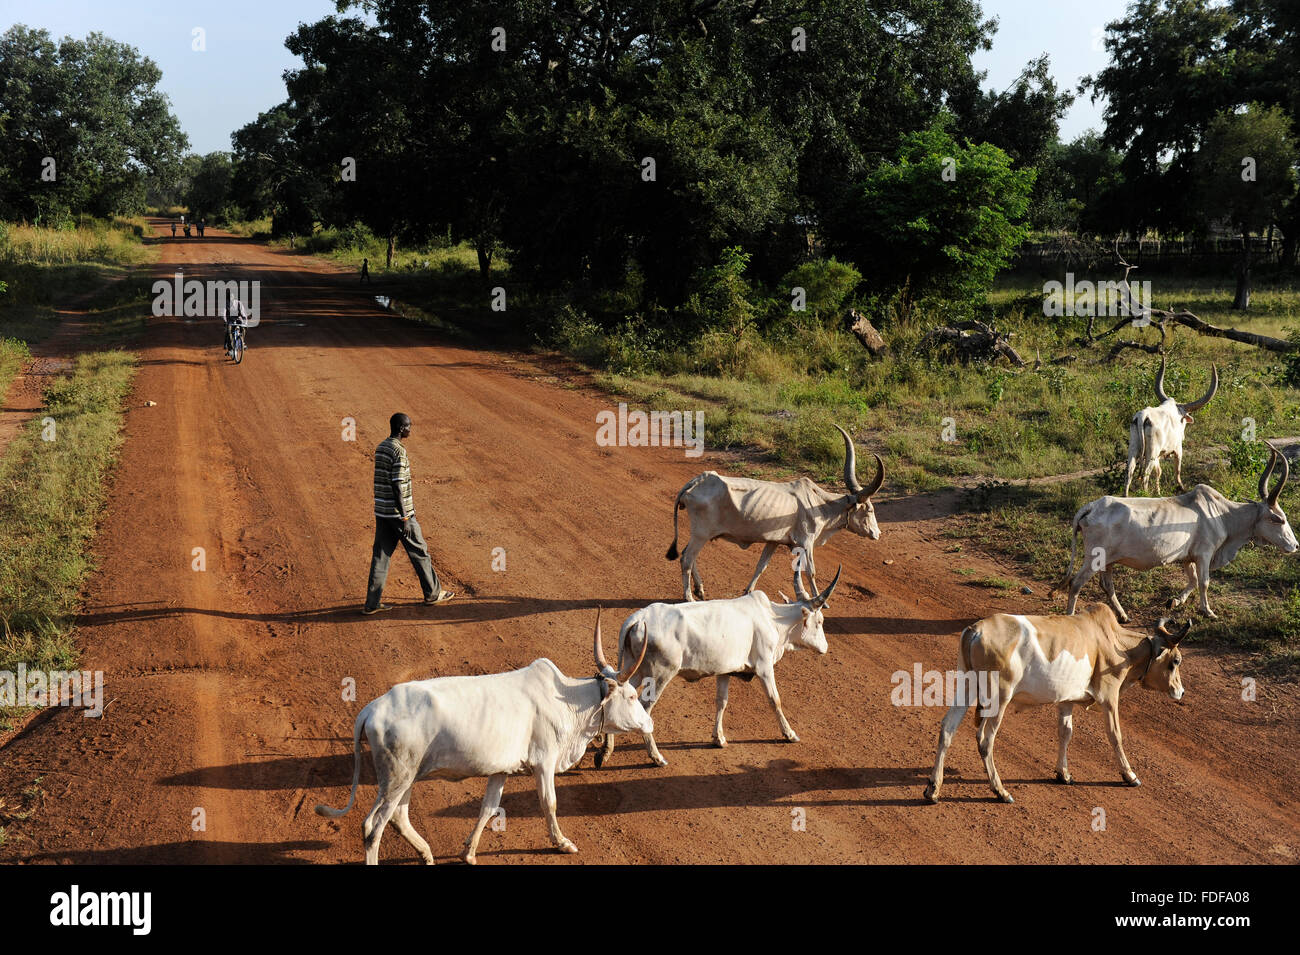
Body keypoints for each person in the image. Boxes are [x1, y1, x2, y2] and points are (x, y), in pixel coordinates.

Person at [362, 413, 454, 614]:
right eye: (409, 426)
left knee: (380, 557)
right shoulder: (399, 452)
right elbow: (397, 485)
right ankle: (433, 593)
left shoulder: (382, 447)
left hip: (382, 512)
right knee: (420, 552)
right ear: (402, 428)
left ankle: (372, 603)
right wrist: (404, 516)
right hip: (398, 514)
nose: (411, 429)